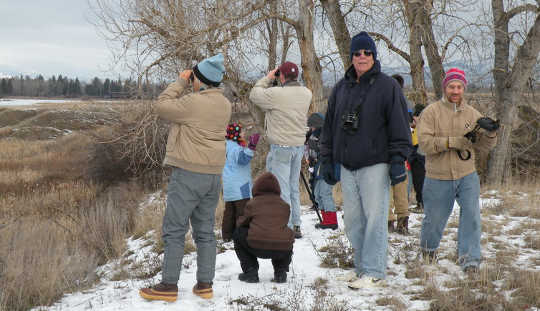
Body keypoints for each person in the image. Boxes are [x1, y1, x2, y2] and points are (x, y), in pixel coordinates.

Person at [320, 32, 411, 289]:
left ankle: (374, 270)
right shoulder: (341, 87)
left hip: (376, 163)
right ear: (351, 57)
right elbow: (329, 127)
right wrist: (327, 159)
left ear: (374, 56)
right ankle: (361, 267)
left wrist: (397, 160)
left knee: (375, 218)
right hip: (347, 165)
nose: (362, 57)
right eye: (357, 53)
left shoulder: (387, 86)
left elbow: (400, 126)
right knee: (353, 220)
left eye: (367, 53)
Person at [139, 54, 231, 302]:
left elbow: (161, 105)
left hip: (189, 173)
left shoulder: (192, 102)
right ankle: (205, 284)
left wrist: (180, 82)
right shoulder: (225, 104)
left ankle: (168, 285)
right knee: (205, 231)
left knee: (175, 229)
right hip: (213, 175)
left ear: (199, 80)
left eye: (194, 78)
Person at [418, 68, 497, 273]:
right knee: (434, 219)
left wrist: (491, 133)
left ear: (464, 89)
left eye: (459, 87)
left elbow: (484, 147)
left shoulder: (472, 114)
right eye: (452, 86)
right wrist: (454, 142)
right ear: (445, 88)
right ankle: (428, 250)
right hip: (438, 175)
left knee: (471, 215)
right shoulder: (431, 112)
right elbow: (424, 144)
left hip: (466, 174)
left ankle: (469, 259)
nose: (455, 90)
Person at [249, 61, 312, 238]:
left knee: (281, 188)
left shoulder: (276, 94)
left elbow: (254, 94)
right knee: (292, 187)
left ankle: (287, 226)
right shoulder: (307, 93)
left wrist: (268, 78)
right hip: (298, 146)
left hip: (281, 147)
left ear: (281, 76)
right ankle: (296, 224)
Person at [233, 172, 295, 283]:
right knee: (285, 235)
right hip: (281, 249)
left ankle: (250, 271)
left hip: (257, 245)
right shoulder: (285, 205)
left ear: (257, 187)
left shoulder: (252, 203)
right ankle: (280, 272)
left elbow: (240, 224)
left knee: (238, 233)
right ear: (277, 189)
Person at [221, 122, 260, 242]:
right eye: (241, 132)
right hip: (240, 186)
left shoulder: (224, 146)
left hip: (228, 186)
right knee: (242, 212)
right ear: (235, 134)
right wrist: (251, 146)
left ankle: (227, 235)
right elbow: (243, 159)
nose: (243, 134)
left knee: (229, 212)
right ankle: (241, 235)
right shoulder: (235, 148)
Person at [305, 112, 339, 230]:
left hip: (328, 167)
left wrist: (317, 147)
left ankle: (332, 220)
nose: (311, 129)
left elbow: (330, 150)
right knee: (318, 193)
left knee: (325, 192)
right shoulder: (313, 136)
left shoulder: (328, 134)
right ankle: (326, 219)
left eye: (313, 127)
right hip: (319, 167)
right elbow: (310, 151)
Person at [387, 74, 412, 234]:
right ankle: (402, 221)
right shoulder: (405, 104)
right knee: (400, 187)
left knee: (388, 188)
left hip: (388, 152)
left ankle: (390, 220)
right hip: (402, 153)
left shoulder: (387, 103)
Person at [408, 103, 426, 213]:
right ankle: (421, 202)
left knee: (420, 180)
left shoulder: (423, 127)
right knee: (417, 181)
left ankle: (422, 204)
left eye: (416, 116)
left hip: (420, 155)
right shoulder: (415, 127)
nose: (413, 119)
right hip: (415, 154)